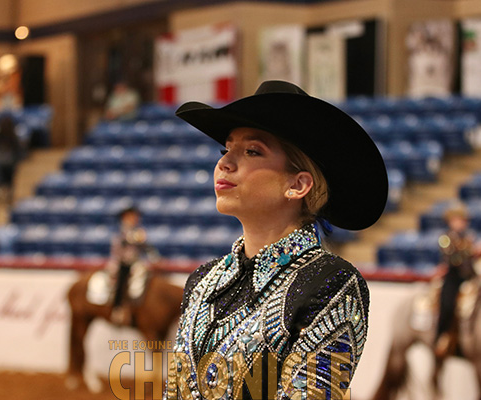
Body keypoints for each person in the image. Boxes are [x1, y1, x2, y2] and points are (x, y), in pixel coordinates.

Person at [164, 81, 388, 400]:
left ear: (298, 185)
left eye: (252, 151)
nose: (224, 163)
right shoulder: (202, 281)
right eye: (225, 149)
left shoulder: (332, 283)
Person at [434, 203, 477, 358]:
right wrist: (464, 249)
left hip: (468, 276)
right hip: (453, 277)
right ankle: (442, 335)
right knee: (447, 304)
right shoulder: (446, 239)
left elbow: (470, 260)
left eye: (462, 220)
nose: (460, 223)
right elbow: (453, 259)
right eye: (457, 220)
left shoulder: (467, 238)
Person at [107, 206, 156, 325]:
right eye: (132, 216)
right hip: (122, 262)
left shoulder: (139, 232)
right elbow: (120, 248)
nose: (135, 219)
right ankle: (117, 307)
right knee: (121, 278)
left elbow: (146, 247)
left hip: (136, 262)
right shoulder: (122, 232)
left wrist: (154, 258)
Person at [0, 116, 22, 204]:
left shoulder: (0, 135)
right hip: (9, 162)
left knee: (0, 180)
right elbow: (18, 149)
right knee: (9, 181)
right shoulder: (12, 136)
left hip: (1, 161)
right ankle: (8, 196)